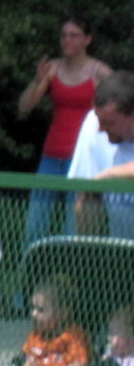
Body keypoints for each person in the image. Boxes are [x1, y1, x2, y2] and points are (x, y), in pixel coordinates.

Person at [19, 17, 110, 246]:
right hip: (51, 155)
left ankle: (70, 267)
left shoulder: (99, 72)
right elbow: (24, 107)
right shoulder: (52, 69)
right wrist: (37, 80)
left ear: (87, 40)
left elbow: (124, 102)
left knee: (74, 229)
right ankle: (32, 266)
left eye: (74, 35)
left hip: (82, 158)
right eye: (64, 35)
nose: (66, 40)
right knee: (35, 225)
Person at [68, 71, 134, 240]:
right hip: (121, 250)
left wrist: (111, 174)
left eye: (109, 123)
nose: (100, 129)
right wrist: (88, 250)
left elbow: (103, 177)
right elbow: (86, 194)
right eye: (99, 119)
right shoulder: (93, 124)